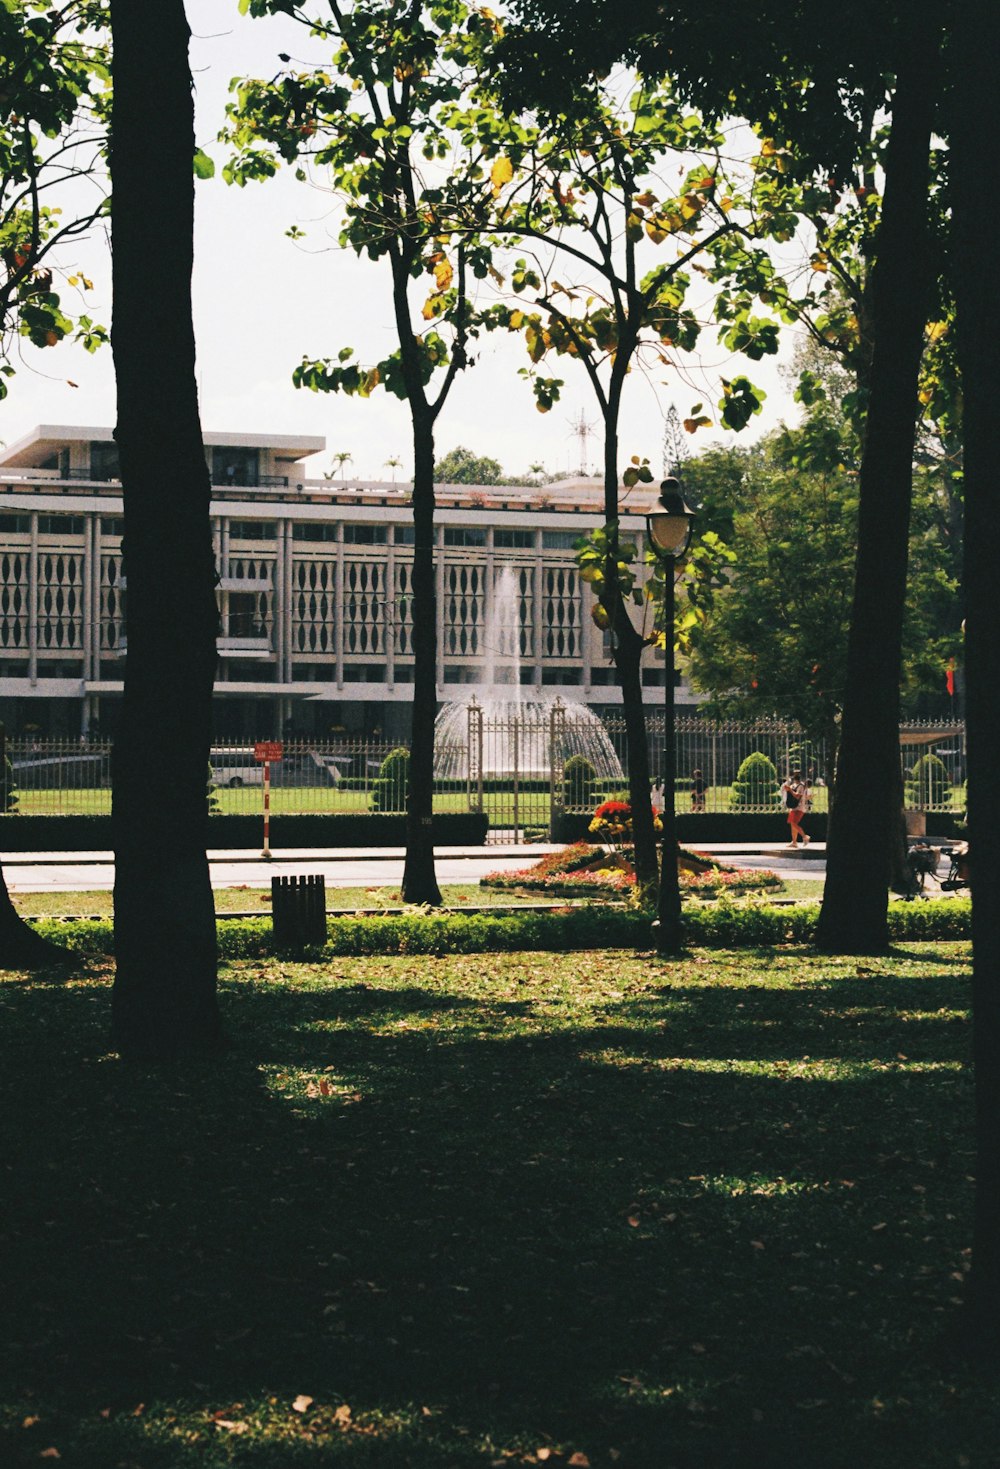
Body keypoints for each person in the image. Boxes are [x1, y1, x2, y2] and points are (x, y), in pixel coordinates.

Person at [780, 768, 811, 847]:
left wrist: (789, 790)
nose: (795, 776)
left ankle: (805, 837)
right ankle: (794, 842)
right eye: (795, 774)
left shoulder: (801, 786)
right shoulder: (793, 785)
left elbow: (797, 796)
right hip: (793, 807)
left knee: (793, 823)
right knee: (793, 824)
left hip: (799, 807)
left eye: (797, 774)